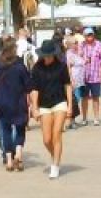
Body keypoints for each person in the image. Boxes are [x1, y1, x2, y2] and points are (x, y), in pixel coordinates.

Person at [0, 39, 33, 172]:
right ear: (14, 50)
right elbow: (28, 86)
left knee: (5, 130)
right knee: (20, 128)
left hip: (1, 102)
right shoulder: (19, 66)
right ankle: (18, 155)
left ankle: (8, 160)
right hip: (18, 101)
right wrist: (30, 101)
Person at [31, 37, 74, 179]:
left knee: (56, 134)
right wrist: (34, 108)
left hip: (59, 102)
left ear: (54, 54)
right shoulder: (37, 68)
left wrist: (70, 106)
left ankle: (55, 165)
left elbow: (67, 85)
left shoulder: (61, 66)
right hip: (44, 104)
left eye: (49, 55)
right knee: (46, 139)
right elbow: (35, 89)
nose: (47, 58)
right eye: (45, 55)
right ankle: (55, 155)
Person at [77, 28, 101, 126]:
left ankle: (96, 118)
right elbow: (77, 58)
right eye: (87, 35)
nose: (89, 37)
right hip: (84, 76)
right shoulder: (81, 45)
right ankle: (84, 118)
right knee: (84, 98)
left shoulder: (99, 45)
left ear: (94, 35)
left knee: (95, 97)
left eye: (91, 34)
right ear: (84, 36)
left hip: (95, 76)